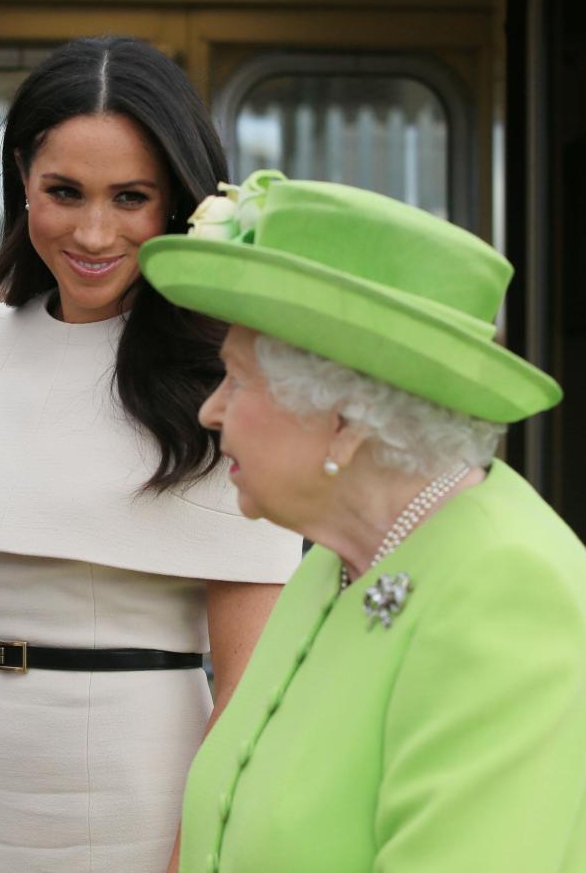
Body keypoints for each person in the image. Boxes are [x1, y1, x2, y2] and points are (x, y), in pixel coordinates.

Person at [0, 41, 301, 873]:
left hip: (135, 822)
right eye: (65, 192)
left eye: (131, 197)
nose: (94, 231)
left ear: (176, 203)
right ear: (23, 178)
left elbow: (247, 691)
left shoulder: (230, 373)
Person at [138, 171, 586, 872]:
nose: (209, 411)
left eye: (237, 379)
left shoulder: (510, 585)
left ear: (344, 421)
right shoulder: (333, 558)